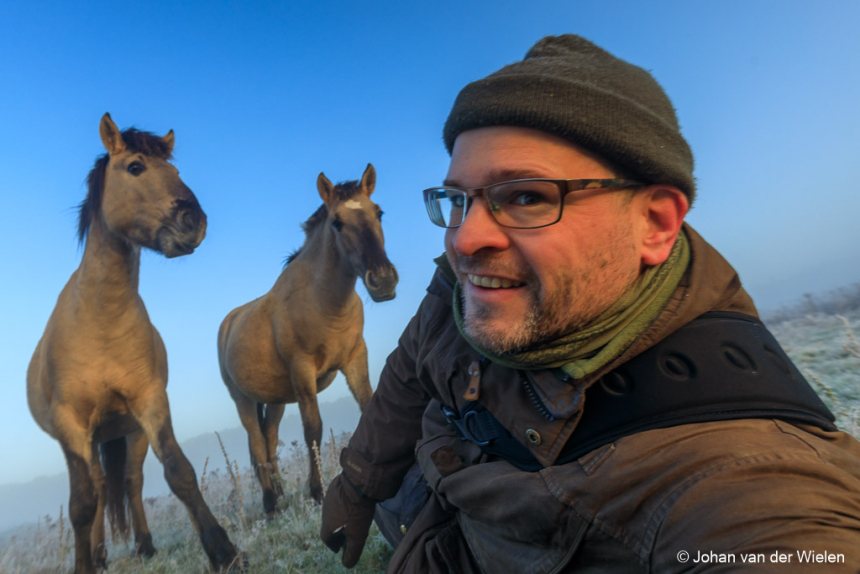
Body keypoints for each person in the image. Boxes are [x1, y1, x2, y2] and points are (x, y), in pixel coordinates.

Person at [320, 34, 860, 573]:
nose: (465, 239)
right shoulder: (465, 290)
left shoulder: (741, 480)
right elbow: (411, 367)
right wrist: (359, 484)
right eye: (458, 200)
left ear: (654, 224)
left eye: (527, 196)